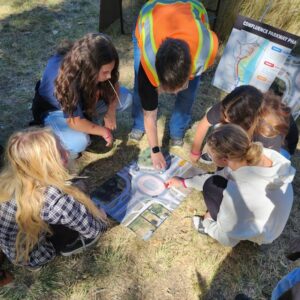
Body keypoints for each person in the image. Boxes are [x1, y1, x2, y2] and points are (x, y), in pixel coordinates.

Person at [166, 124, 295, 247]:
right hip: (272, 224)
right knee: (214, 181)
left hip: (262, 234)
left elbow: (228, 239)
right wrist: (184, 182)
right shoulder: (261, 154)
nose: (209, 158)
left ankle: (213, 227)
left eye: (210, 156)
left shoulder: (240, 189)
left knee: (211, 187)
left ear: (224, 160)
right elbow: (224, 175)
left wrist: (208, 222)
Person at [0, 127, 107, 269]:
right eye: (60, 153)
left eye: (61, 146)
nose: (67, 152)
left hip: (13, 245)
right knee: (72, 220)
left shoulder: (8, 179)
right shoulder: (55, 200)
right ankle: (67, 246)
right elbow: (93, 229)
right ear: (46, 165)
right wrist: (101, 219)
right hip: (33, 255)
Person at [129, 0, 218, 170]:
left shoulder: (205, 52)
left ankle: (177, 130)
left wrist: (184, 87)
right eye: (165, 89)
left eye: (177, 88)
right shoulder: (148, 62)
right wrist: (155, 150)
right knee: (142, 91)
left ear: (189, 73)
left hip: (191, 9)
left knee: (188, 94)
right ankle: (138, 125)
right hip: (150, 15)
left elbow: (210, 40)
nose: (174, 94)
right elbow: (151, 114)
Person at [31, 33, 132, 158]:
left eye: (111, 71)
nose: (109, 76)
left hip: (82, 104)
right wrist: (103, 131)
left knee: (125, 98)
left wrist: (111, 112)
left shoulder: (86, 62)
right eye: (105, 72)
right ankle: (51, 137)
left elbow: (114, 84)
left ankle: (91, 124)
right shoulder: (66, 79)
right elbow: (74, 121)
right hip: (55, 111)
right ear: (90, 68)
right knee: (79, 142)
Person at [190, 85, 299, 163]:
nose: (226, 119)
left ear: (247, 117)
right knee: (221, 129)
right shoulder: (233, 104)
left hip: (281, 147)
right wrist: (195, 152)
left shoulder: (268, 130)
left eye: (231, 118)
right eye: (225, 114)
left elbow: (267, 163)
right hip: (250, 128)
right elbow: (204, 124)